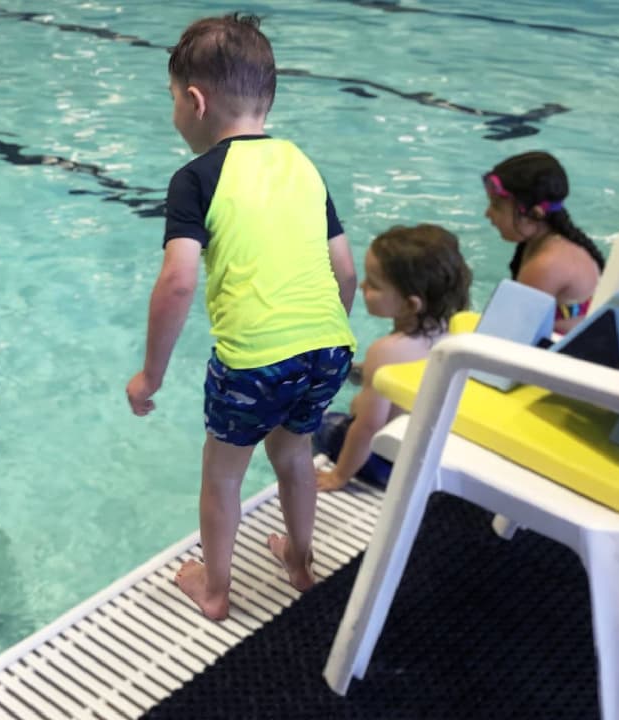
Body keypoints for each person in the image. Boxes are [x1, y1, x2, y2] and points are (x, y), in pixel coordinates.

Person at [125, 13, 357, 621]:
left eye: (173, 100)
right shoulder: (303, 165)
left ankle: (216, 589)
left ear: (195, 101)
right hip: (329, 347)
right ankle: (302, 564)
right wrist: (323, 340)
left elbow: (177, 283)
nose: (174, 113)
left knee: (223, 475)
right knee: (294, 455)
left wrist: (150, 375)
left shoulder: (196, 177)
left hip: (255, 361)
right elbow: (345, 272)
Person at [314, 224, 472, 492]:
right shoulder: (455, 332)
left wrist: (338, 476)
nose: (363, 286)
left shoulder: (386, 351)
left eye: (373, 284)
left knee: (313, 421)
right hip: (425, 460)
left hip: (385, 464)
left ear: (411, 304)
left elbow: (367, 428)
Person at [482, 151, 606, 335]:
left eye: (497, 206)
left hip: (565, 358)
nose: (488, 214)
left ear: (535, 214)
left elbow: (512, 336)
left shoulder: (546, 265)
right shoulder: (549, 242)